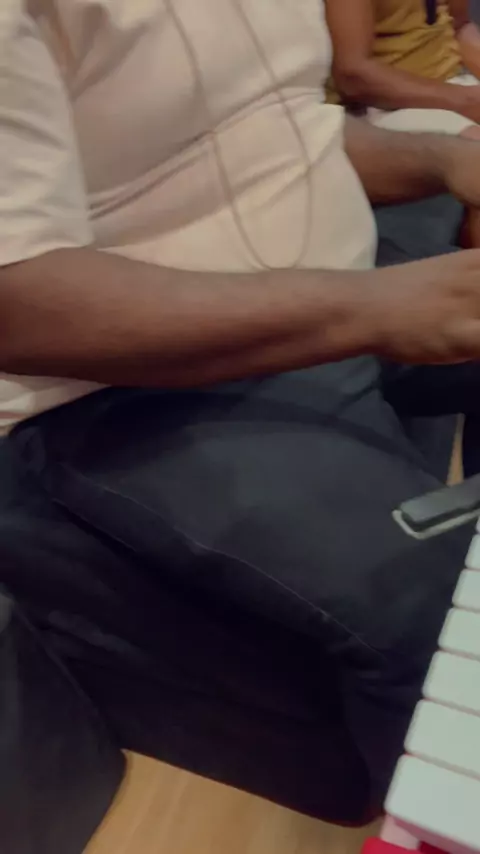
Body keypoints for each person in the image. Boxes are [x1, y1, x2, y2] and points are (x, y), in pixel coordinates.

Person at [4, 0, 480, 820]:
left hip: (329, 291)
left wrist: (446, 160)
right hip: (113, 388)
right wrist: (377, 308)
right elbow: (18, 303)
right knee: (432, 609)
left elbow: (276, 135)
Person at [325, 0, 480, 134]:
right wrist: (466, 100)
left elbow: (460, 26)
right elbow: (352, 77)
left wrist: (468, 97)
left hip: (456, 85)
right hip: (385, 105)